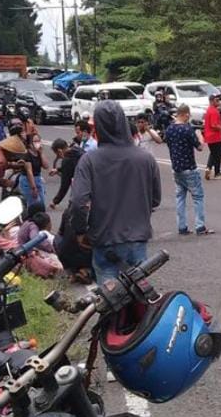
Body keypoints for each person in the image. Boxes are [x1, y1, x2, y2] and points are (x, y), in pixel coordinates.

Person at [69, 100, 161, 285]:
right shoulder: (145, 158)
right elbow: (156, 199)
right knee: (139, 296)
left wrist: (80, 232)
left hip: (104, 239)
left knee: (110, 300)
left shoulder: (89, 160)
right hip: (137, 238)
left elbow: (78, 202)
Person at [165, 104, 214, 236]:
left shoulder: (169, 129)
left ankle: (182, 226)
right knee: (198, 196)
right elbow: (199, 147)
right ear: (185, 114)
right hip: (189, 168)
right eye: (189, 115)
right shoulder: (187, 129)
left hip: (176, 168)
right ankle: (200, 226)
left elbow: (169, 145)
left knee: (180, 197)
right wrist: (200, 135)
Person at [49, 137, 83, 210]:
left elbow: (65, 185)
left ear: (59, 151)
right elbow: (73, 166)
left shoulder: (66, 160)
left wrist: (55, 201)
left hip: (82, 187)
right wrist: (58, 169)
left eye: (57, 154)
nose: (58, 157)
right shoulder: (77, 150)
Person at [18, 133, 48, 208]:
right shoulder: (26, 155)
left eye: (39, 141)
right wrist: (33, 188)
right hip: (28, 181)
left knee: (41, 203)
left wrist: (41, 153)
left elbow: (46, 166)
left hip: (38, 178)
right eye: (35, 141)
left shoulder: (38, 153)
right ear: (30, 144)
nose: (38, 143)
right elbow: (29, 172)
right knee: (33, 205)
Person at [203, 94, 221, 180]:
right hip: (215, 136)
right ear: (212, 101)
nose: (219, 102)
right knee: (218, 154)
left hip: (209, 136)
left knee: (213, 154)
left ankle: (208, 168)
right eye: (217, 100)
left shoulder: (209, 110)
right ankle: (217, 173)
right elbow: (214, 125)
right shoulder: (213, 111)